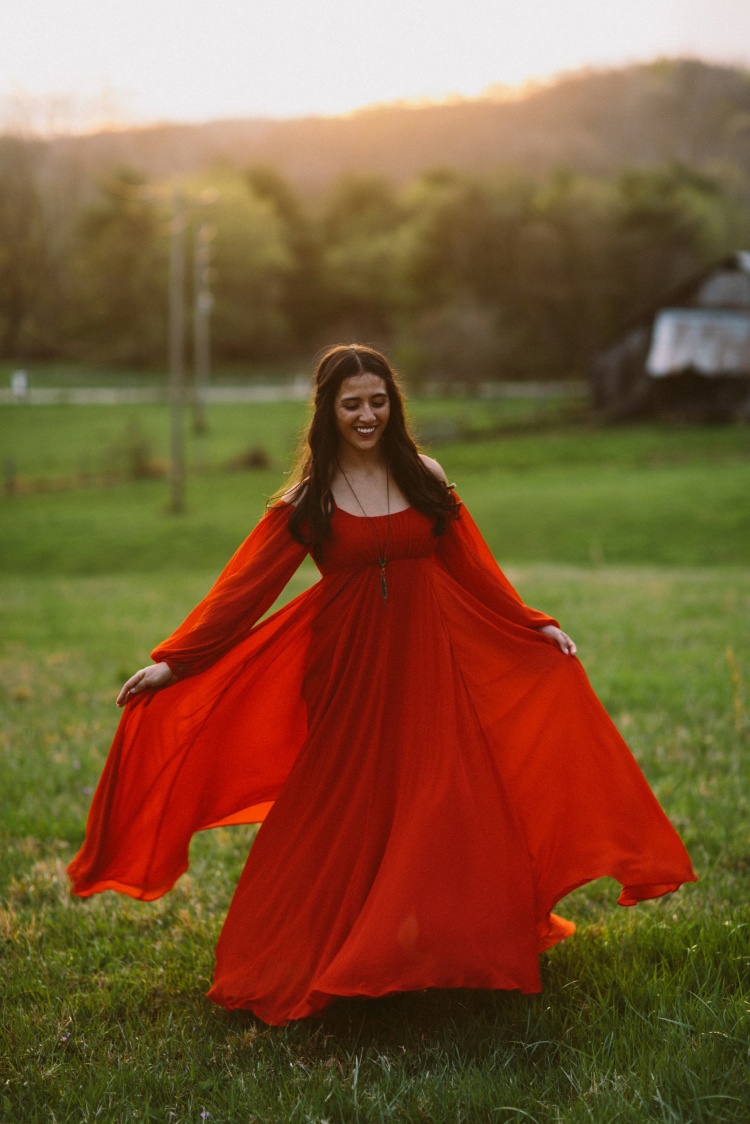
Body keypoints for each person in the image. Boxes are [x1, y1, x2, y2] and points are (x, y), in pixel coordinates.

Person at [68, 344, 696, 1026]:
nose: (367, 414)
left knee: (441, 797)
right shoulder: (308, 500)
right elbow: (242, 591)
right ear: (328, 412)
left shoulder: (424, 475)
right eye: (351, 404)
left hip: (431, 665)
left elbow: (471, 565)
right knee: (346, 801)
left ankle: (435, 948)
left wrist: (531, 624)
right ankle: (309, 952)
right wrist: (177, 661)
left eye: (378, 401)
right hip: (347, 672)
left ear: (392, 404)